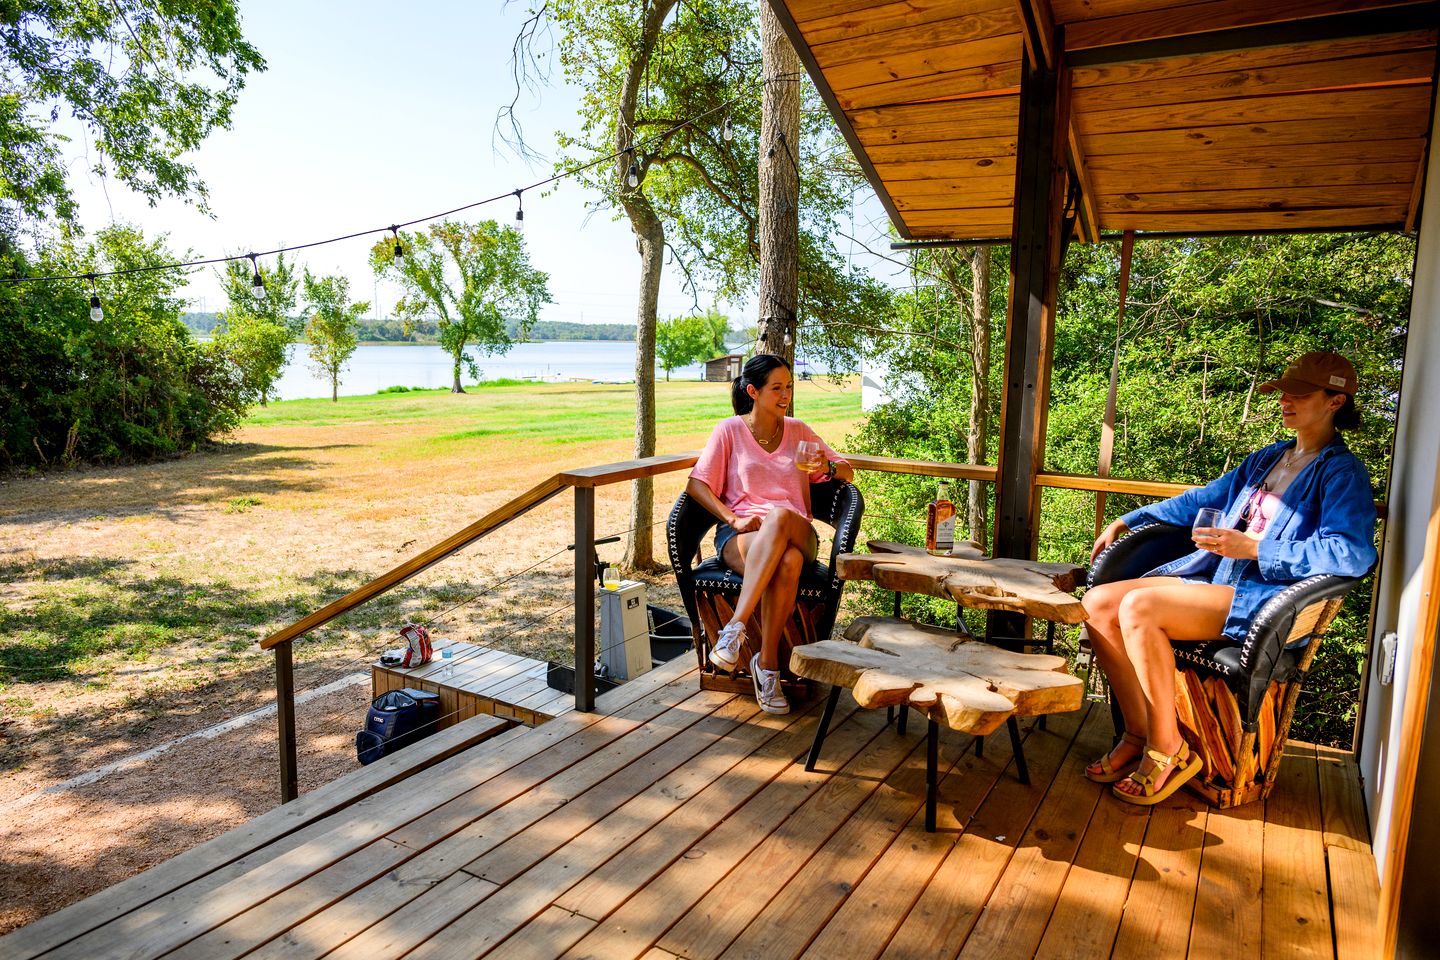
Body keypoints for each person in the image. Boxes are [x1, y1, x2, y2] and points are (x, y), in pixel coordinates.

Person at [1082, 351, 1376, 805]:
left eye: (1299, 394)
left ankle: (1170, 749)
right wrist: (1128, 518)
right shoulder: (1266, 461)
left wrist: (1257, 548)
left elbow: (1350, 553)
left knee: (1139, 608)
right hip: (1217, 580)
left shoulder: (1342, 473)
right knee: (1098, 603)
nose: (1286, 402)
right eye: (1283, 393)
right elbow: (1201, 499)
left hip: (1263, 598)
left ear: (1335, 401)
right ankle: (1139, 733)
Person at [686, 353, 855, 715]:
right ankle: (768, 667)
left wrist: (825, 467)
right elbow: (697, 485)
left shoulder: (799, 431)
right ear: (753, 391)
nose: (785, 395)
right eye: (776, 388)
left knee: (780, 518)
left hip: (797, 529)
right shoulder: (729, 430)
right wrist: (732, 519)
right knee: (787, 562)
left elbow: (848, 472)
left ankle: (734, 628)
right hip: (746, 535)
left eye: (789, 387)